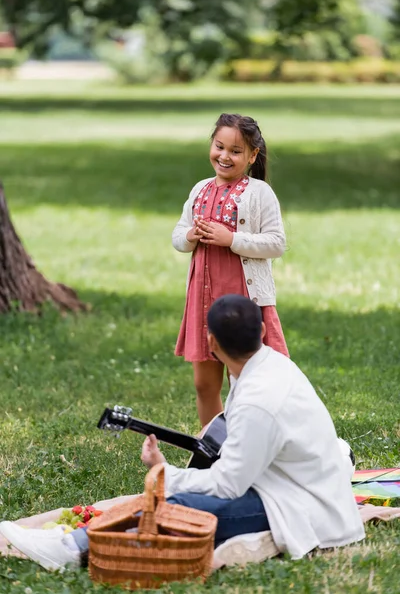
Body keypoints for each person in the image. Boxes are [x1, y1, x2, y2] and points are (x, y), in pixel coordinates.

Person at [0, 295, 365, 571]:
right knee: (171, 499)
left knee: (177, 507)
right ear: (263, 332)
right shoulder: (269, 365)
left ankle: (69, 550)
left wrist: (165, 474)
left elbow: (227, 486)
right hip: (285, 484)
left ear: (211, 343)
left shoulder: (260, 400)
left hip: (297, 504)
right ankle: (71, 541)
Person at [173, 113, 288, 427]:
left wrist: (231, 239)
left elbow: (276, 243)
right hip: (204, 299)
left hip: (242, 300)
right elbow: (178, 235)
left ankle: (248, 445)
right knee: (204, 384)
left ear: (252, 156)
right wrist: (189, 236)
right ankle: (214, 451)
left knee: (247, 384)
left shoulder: (259, 193)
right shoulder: (199, 190)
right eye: (219, 146)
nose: (224, 156)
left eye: (235, 151)